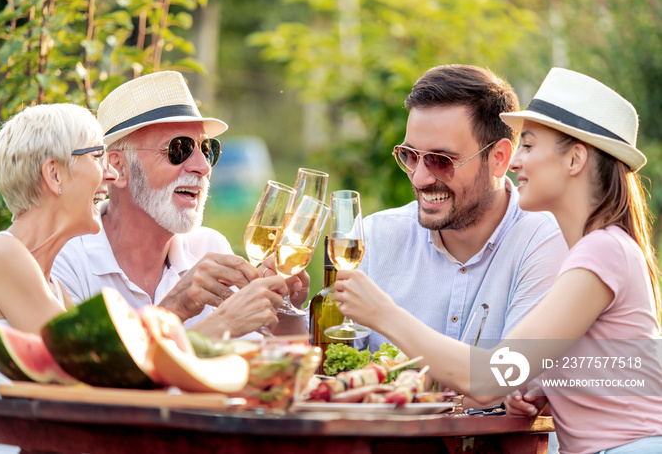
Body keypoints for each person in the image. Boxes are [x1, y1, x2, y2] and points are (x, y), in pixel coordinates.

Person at [334, 67, 662, 453]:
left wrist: (383, 313)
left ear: (575, 160)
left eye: (529, 146)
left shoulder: (600, 251)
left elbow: (491, 377)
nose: (516, 162)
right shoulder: (596, 249)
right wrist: (541, 388)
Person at [52, 71, 308, 338]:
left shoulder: (210, 248)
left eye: (207, 149)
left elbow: (267, 366)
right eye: (179, 149)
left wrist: (286, 311)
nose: (203, 166)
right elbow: (84, 375)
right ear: (118, 168)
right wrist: (176, 306)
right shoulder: (67, 259)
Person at [358, 64, 568, 353]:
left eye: (441, 160)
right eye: (409, 156)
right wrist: (287, 312)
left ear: (499, 158)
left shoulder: (543, 240)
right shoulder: (376, 236)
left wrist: (387, 317)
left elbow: (510, 376)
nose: (420, 178)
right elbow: (327, 365)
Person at [0, 103, 118, 453]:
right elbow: (89, 370)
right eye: (97, 157)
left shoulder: (53, 287)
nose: (111, 174)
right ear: (55, 175)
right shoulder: (1, 254)